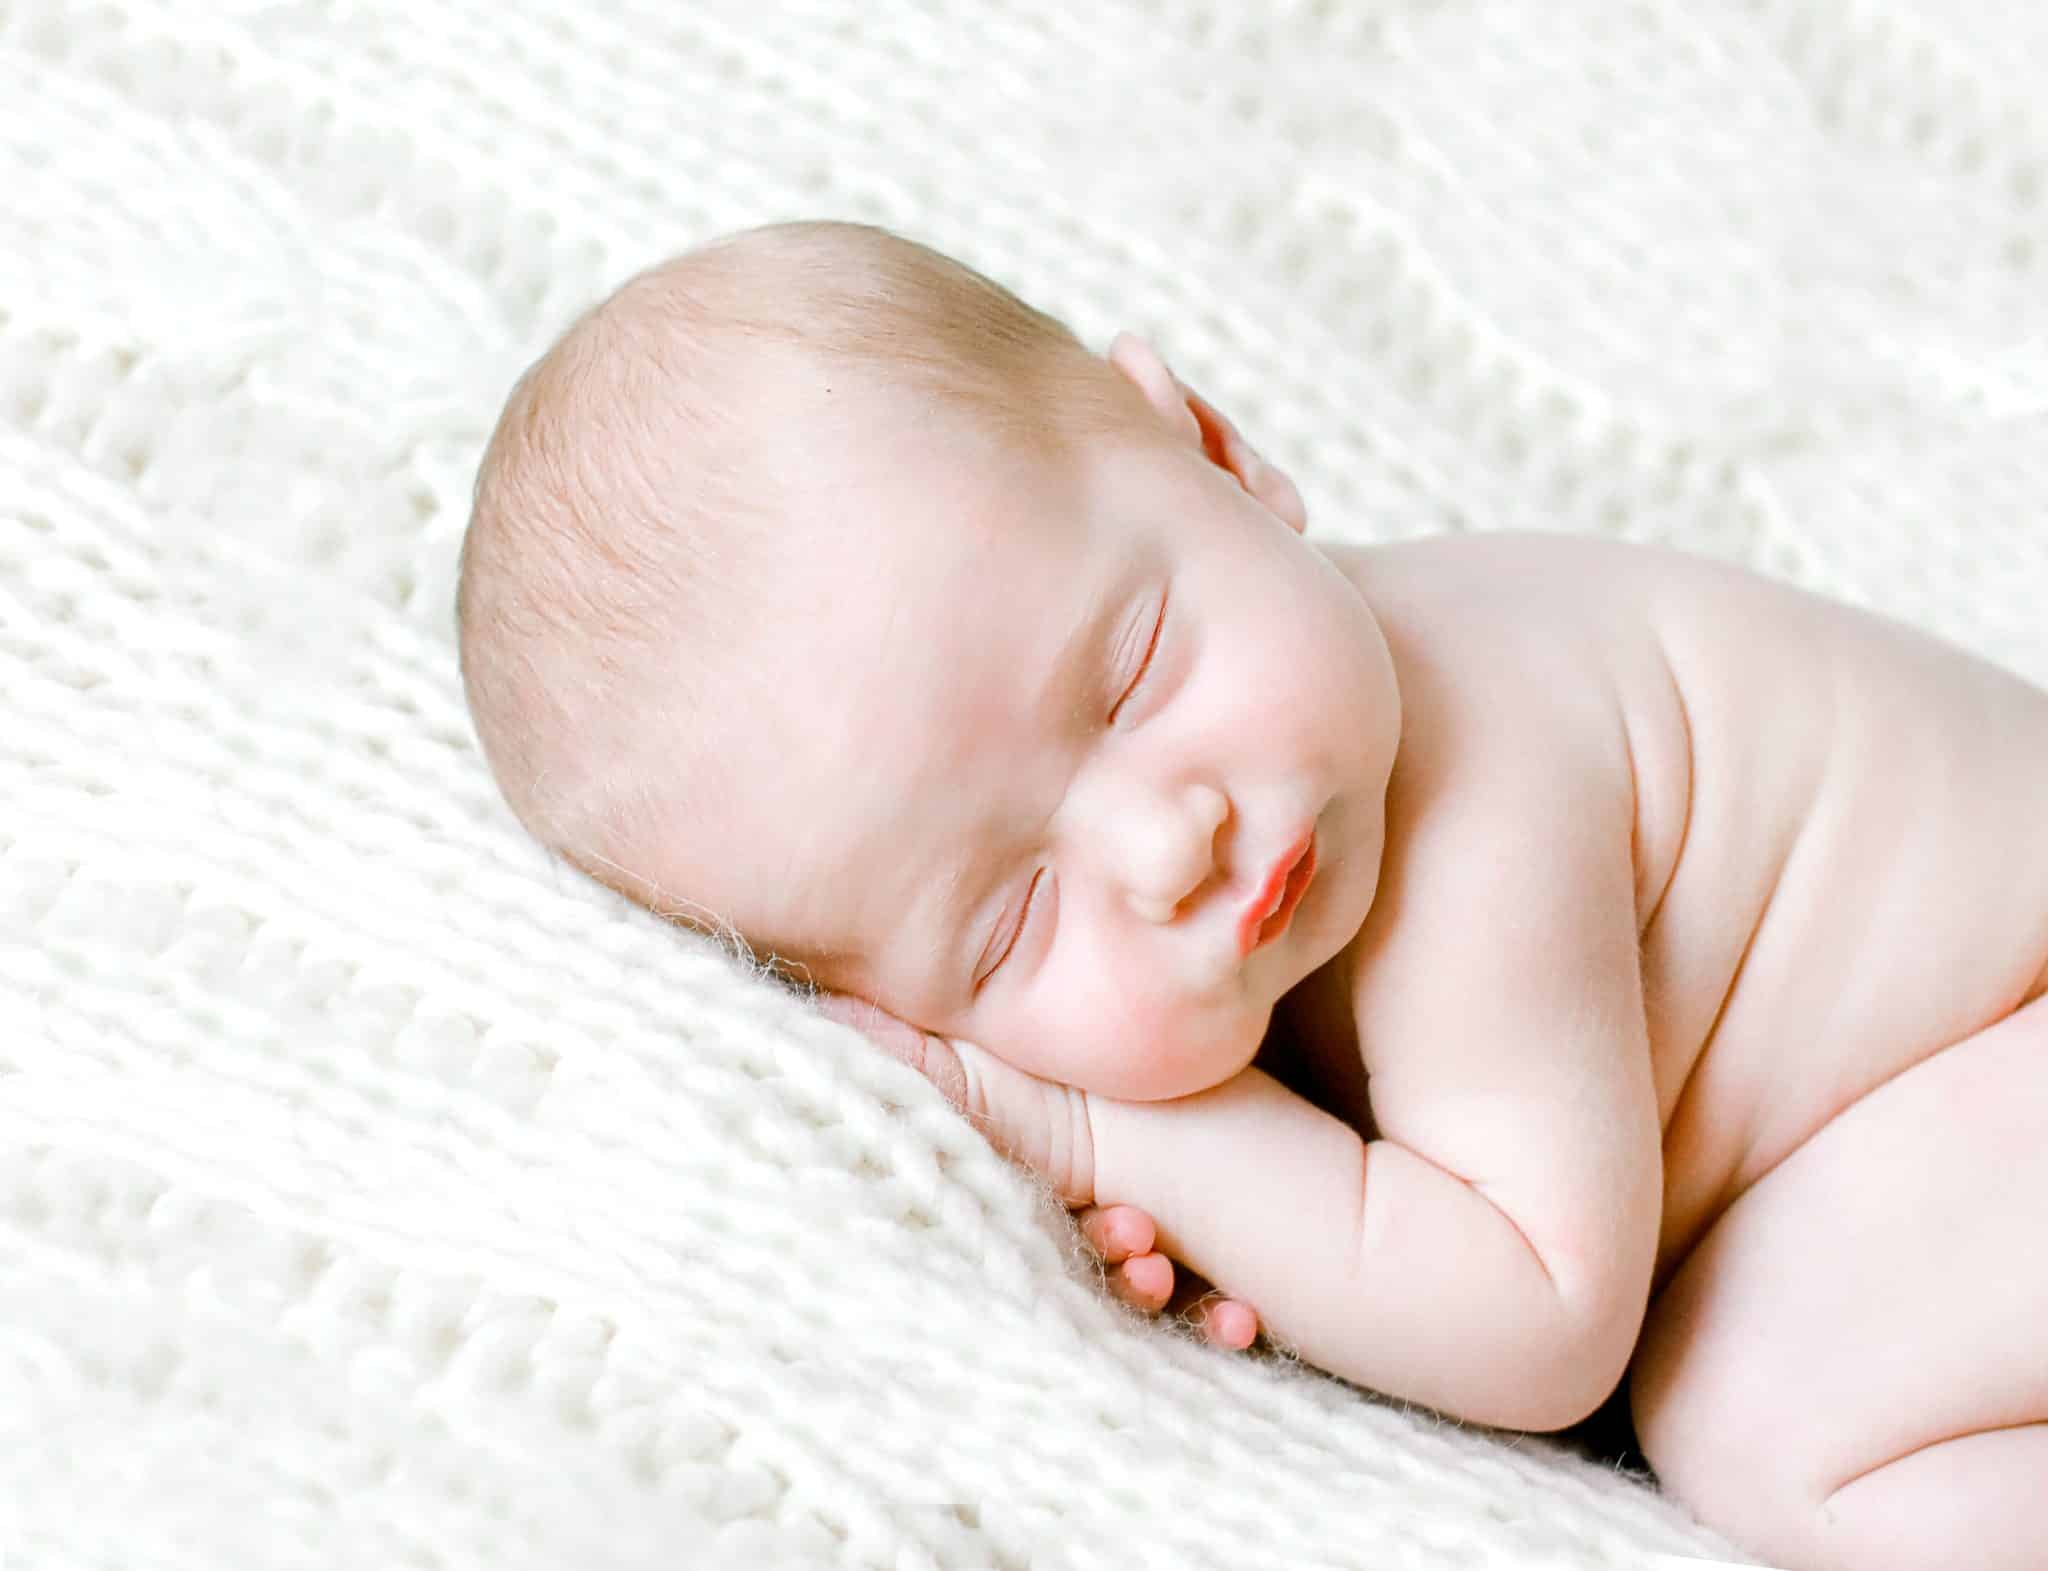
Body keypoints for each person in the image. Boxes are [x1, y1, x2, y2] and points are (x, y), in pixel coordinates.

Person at [456, 218, 2048, 1571]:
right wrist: (1293, 1244)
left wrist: (1108, 1133)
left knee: (1761, 1408)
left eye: (1135, 676)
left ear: (1212, 448)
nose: (1172, 846)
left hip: (2011, 1016)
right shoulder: (1279, 830)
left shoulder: (1483, 778)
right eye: (1014, 921)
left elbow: (1540, 1321)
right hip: (1947, 1115)